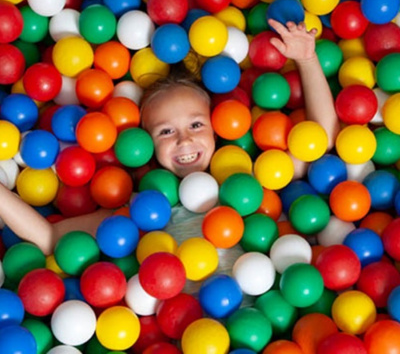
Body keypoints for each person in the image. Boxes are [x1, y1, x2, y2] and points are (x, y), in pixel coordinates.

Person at [0, 19, 340, 256]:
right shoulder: (139, 211)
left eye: (195, 125)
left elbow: (321, 140)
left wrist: (306, 60)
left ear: (217, 129)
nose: (183, 140)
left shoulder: (250, 183)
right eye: (166, 131)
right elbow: (49, 236)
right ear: (146, 145)